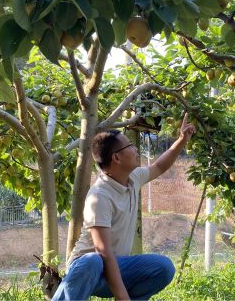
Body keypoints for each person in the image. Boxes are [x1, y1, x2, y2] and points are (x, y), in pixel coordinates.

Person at [52, 113, 196, 301]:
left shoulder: (132, 178)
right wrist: (122, 297)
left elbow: (160, 166)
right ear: (117, 158)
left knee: (163, 267)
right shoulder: (99, 196)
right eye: (129, 145)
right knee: (93, 261)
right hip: (88, 269)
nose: (135, 149)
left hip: (117, 266)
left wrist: (181, 140)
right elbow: (103, 252)